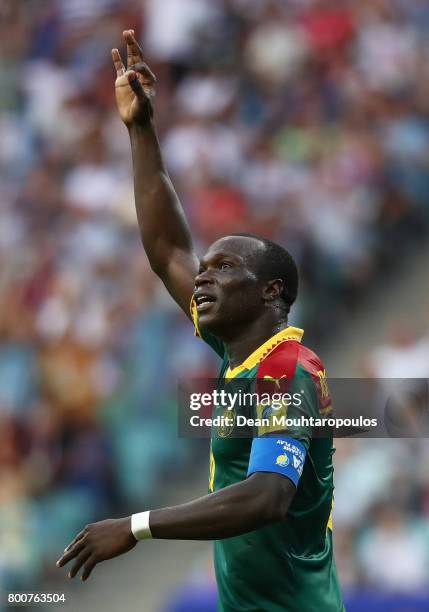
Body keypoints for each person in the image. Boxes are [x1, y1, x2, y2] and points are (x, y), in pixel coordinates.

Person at [57, 30, 344, 612]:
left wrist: (135, 526)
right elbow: (167, 250)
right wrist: (140, 128)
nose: (204, 277)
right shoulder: (241, 355)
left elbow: (267, 496)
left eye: (225, 267)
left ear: (271, 292)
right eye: (206, 267)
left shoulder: (286, 370)